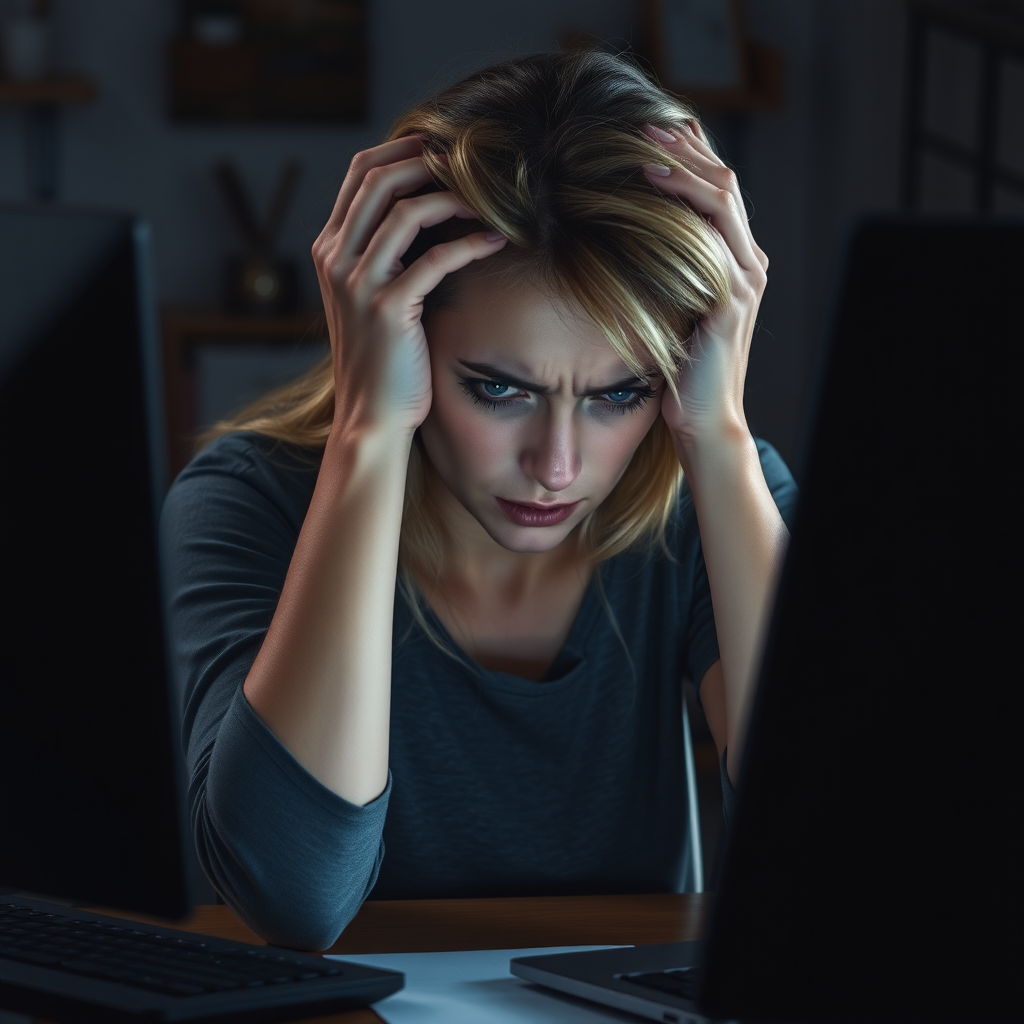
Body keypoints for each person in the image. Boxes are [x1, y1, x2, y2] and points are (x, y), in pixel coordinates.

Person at [160, 48, 798, 952]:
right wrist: (369, 432)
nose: (557, 466)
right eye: (499, 389)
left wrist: (721, 441)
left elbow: (831, 856)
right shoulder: (244, 503)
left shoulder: (717, 497)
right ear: (398, 332)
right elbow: (295, 898)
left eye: (621, 392)